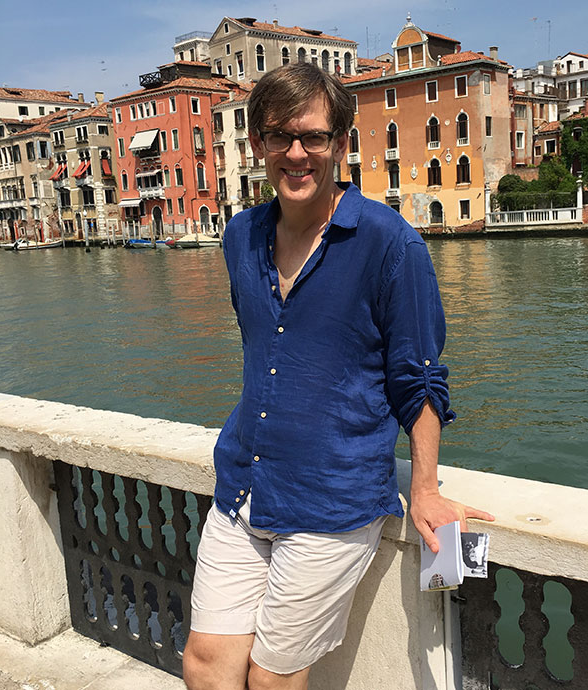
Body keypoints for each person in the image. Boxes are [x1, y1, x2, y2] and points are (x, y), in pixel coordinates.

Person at [183, 63, 494, 690]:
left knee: (273, 681)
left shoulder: (391, 244)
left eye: (314, 138)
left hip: (332, 499)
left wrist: (426, 487)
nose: (297, 153)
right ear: (257, 147)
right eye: (279, 137)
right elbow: (267, 347)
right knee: (206, 666)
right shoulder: (240, 236)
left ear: (340, 146)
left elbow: (420, 378)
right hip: (243, 485)